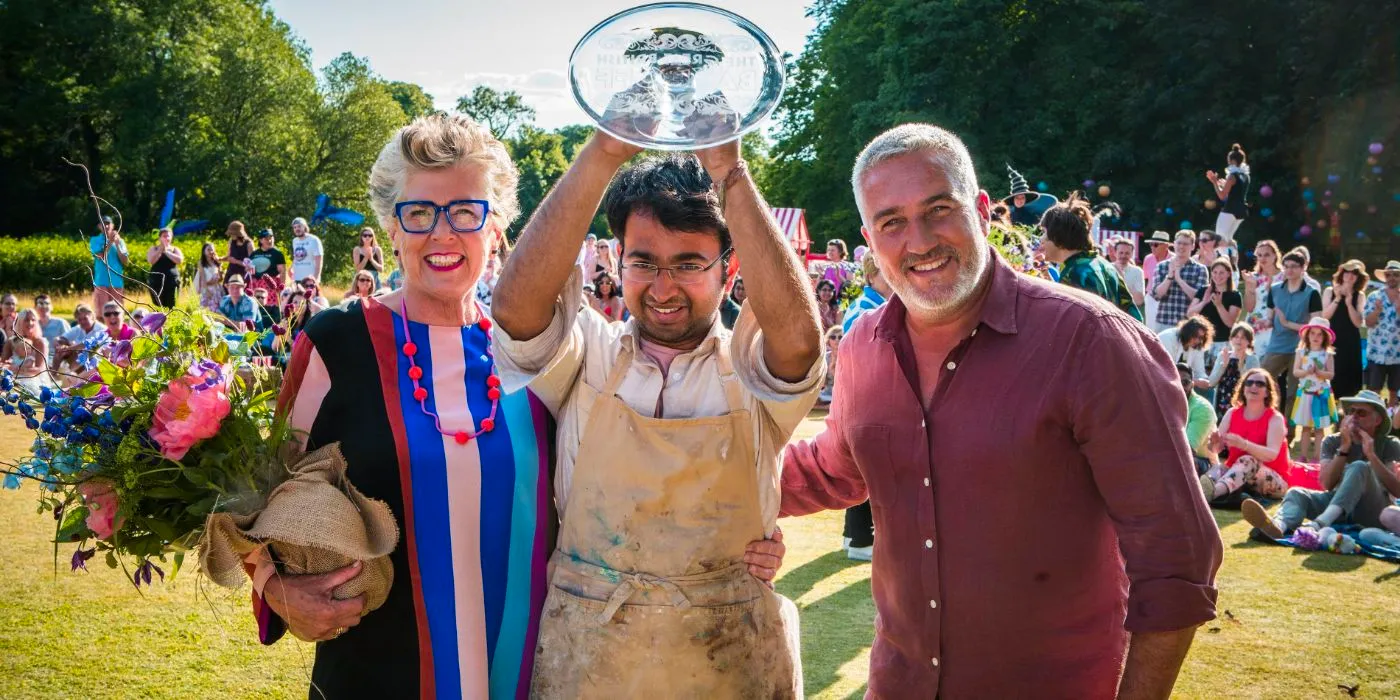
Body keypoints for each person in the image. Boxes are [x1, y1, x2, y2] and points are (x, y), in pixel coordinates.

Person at [779, 123, 1221, 698]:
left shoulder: (1090, 340)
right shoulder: (865, 345)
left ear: (983, 210)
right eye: (892, 222)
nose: (919, 241)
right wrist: (696, 479)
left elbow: (1176, 555)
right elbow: (834, 467)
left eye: (939, 208)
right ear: (869, 237)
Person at [491, 125, 820, 697]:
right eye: (644, 262)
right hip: (590, 663)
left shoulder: (751, 369)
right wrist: (604, 152)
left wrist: (732, 176)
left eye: (689, 263)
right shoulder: (587, 354)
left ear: (729, 269)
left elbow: (798, 344)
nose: (664, 288)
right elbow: (517, 310)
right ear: (619, 260)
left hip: (730, 662)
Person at [242, 114, 557, 698]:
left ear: (497, 229)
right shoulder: (334, 343)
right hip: (375, 672)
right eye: (419, 213)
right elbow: (255, 491)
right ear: (391, 228)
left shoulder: (537, 355)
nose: (443, 234)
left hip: (523, 674)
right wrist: (275, 587)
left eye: (465, 212)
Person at [1242, 390, 1400, 541]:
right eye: (1351, 411)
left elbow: (1396, 490)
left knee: (1360, 466)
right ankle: (1278, 526)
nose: (1354, 417)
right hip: (1338, 505)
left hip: (1373, 510)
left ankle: (1320, 523)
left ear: (1377, 420)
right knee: (1297, 493)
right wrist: (1344, 449)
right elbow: (1326, 483)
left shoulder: (1389, 444)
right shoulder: (1333, 441)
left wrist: (1372, 456)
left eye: (1361, 413)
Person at [1038, 192, 1143, 321]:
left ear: (1059, 235)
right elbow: (1135, 317)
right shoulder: (1103, 265)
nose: (1041, 239)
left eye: (1044, 232)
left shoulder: (1076, 273)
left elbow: (1072, 327)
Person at [1200, 367, 1291, 502]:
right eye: (1249, 383)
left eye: (1259, 384)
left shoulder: (1275, 418)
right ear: (1243, 388)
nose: (1253, 386)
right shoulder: (1232, 413)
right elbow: (1215, 450)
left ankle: (1212, 494)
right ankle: (1200, 493)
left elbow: (1272, 454)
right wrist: (1213, 443)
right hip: (1238, 473)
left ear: (1267, 392)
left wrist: (1244, 444)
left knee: (1248, 460)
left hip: (1275, 481)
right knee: (1219, 468)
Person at [1262, 249, 1323, 428]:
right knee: (1263, 380)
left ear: (1303, 268)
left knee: (1294, 392)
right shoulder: (1275, 289)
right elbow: (1269, 316)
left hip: (1300, 348)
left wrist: (1288, 324)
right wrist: (1266, 321)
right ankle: (1267, 422)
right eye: (1286, 266)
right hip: (1277, 345)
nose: (1289, 270)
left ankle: (1288, 430)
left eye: (1294, 267)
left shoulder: (1312, 293)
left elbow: (1316, 327)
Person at [1291, 317, 1338, 462]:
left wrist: (1320, 372)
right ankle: (1303, 455)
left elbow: (1331, 374)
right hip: (1306, 394)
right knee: (1305, 427)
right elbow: (1296, 371)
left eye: (1319, 334)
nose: (1316, 337)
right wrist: (1306, 372)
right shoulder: (1301, 352)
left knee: (1319, 428)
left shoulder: (1327, 354)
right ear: (1307, 335)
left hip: (1320, 395)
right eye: (1313, 333)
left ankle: (1318, 456)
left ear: (1325, 337)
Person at [1322, 259, 1366, 401]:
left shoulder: (1359, 296)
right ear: (1341, 274)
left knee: (1350, 375)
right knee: (1332, 372)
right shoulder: (1330, 291)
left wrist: (1349, 303)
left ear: (1359, 277)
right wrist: (1338, 298)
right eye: (1347, 272)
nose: (1350, 276)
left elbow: (1358, 323)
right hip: (1331, 338)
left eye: (1354, 273)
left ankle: (1348, 409)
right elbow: (1325, 316)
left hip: (1351, 341)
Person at [1150, 230, 1208, 330]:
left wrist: (1179, 280)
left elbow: (1199, 298)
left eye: (1185, 244)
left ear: (1193, 246)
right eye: (1179, 243)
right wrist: (1169, 276)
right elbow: (1157, 295)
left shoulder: (1200, 269)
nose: (1181, 246)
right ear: (1174, 244)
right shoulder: (1161, 266)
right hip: (1164, 322)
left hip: (1189, 324)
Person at [1364, 261, 1400, 412]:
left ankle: (1392, 425)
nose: (1392, 277)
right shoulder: (1374, 296)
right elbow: (1368, 322)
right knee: (1373, 392)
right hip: (1377, 353)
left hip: (1397, 354)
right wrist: (1377, 311)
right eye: (1388, 275)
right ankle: (1372, 422)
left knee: (1395, 393)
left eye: (1396, 275)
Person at [1187, 258, 1242, 356]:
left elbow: (1230, 323)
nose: (1217, 276)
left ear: (1229, 274)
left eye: (1221, 273)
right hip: (1200, 341)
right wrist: (1204, 302)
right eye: (1215, 272)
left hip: (1222, 343)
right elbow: (1189, 314)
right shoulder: (1203, 290)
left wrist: (1219, 305)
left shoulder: (1235, 295)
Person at [1207, 324, 1261, 417]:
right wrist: (1223, 365)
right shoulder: (1223, 355)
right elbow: (1211, 382)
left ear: (1249, 341)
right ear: (1231, 339)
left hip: (1242, 403)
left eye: (1243, 338)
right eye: (1236, 337)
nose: (1239, 340)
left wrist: (1241, 365)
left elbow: (1254, 385)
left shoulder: (1252, 359)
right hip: (1221, 402)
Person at [1242, 238, 1283, 358]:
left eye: (1267, 255)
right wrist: (1250, 288)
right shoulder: (1253, 277)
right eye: (1259, 255)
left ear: (1275, 255)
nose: (1262, 258)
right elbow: (1249, 308)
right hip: (1255, 323)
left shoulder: (1284, 276)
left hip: (1276, 322)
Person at [1205, 144, 1251, 246]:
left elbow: (1222, 196)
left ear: (1233, 161)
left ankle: (1223, 260)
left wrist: (1214, 182)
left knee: (1220, 239)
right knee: (1229, 239)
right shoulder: (1246, 176)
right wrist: (1221, 184)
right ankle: (1233, 259)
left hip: (1230, 209)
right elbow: (1234, 192)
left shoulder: (1232, 176)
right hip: (1241, 210)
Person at [1179, 362, 1219, 474]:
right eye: (1175, 381)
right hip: (1170, 455)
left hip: (1204, 464)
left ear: (1192, 385)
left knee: (1185, 462)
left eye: (1185, 382)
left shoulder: (1202, 409)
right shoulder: (1163, 403)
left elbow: (1187, 451)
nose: (1180, 386)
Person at [2, 309, 54, 394]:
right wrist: (8, 366)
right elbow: (3, 363)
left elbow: (40, 369)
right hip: (14, 376)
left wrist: (18, 369)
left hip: (36, 378)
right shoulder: (11, 342)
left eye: (33, 320)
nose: (30, 323)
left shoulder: (40, 342)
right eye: (26, 320)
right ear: (20, 322)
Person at [1158, 315, 1214, 389]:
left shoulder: (1198, 345)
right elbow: (1167, 372)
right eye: (1195, 336)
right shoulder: (1167, 338)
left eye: (1201, 337)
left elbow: (1199, 372)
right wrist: (1195, 382)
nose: (1197, 340)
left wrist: (1205, 381)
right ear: (1187, 332)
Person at [843, 252, 892, 334]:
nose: (893, 279)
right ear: (870, 277)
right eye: (887, 273)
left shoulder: (893, 305)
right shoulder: (862, 310)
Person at [90, 215, 130, 312]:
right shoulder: (94, 240)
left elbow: (125, 262)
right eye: (103, 224)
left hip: (116, 281)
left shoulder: (120, 241)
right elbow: (101, 257)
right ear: (99, 226)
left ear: (112, 225)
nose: (106, 226)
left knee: (117, 312)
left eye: (108, 223)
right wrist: (110, 242)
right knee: (101, 313)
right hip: (101, 281)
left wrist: (117, 243)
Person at [51, 304, 106, 373]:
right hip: (79, 359)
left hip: (96, 359)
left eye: (85, 318)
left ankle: (70, 375)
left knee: (84, 352)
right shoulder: (78, 328)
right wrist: (58, 343)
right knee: (60, 351)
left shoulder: (101, 329)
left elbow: (87, 344)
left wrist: (68, 348)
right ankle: (53, 374)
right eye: (80, 320)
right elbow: (62, 338)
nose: (82, 322)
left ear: (91, 316)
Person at [142, 227, 184, 307]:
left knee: (172, 304)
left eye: (168, 236)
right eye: (164, 236)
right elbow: (151, 261)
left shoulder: (175, 249)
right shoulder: (154, 248)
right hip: (156, 281)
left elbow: (180, 260)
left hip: (172, 281)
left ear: (171, 237)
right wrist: (160, 251)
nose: (166, 238)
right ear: (160, 238)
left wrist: (167, 252)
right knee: (158, 305)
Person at [1141, 230, 1172, 331]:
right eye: (1151, 244)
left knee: (1166, 330)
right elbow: (1146, 279)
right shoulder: (1148, 259)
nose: (1152, 247)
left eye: (1155, 244)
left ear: (1166, 245)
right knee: (1149, 329)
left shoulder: (1174, 259)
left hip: (1168, 299)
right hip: (1150, 298)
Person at [1109, 236, 1146, 315]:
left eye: (1127, 253)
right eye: (1121, 252)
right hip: (1109, 312)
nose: (1123, 256)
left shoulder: (1137, 272)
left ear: (1132, 254)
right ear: (1115, 253)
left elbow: (1139, 300)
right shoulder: (1107, 268)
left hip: (1129, 314)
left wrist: (1122, 281)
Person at [247, 229, 288, 298]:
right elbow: (249, 270)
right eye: (266, 238)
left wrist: (281, 289)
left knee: (270, 307)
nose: (269, 240)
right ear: (260, 240)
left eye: (271, 238)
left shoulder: (278, 254)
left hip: (271, 285)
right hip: (256, 285)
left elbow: (282, 272)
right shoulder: (254, 254)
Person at [32, 295, 69, 361]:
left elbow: (70, 342)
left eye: (47, 303)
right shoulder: (32, 324)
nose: (44, 306)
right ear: (35, 307)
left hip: (56, 358)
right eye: (40, 304)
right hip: (36, 358)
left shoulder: (60, 323)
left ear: (51, 307)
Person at [289, 216, 324, 283]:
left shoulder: (314, 240)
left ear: (305, 227)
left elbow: (319, 260)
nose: (297, 229)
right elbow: (296, 257)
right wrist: (291, 267)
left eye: (299, 226)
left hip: (310, 280)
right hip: (297, 278)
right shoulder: (295, 241)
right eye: (295, 227)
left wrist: (315, 278)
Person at [193, 242, 225, 312]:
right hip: (206, 288)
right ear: (204, 251)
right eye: (208, 249)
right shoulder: (201, 263)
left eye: (212, 249)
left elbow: (221, 278)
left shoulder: (216, 262)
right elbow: (203, 278)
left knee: (218, 309)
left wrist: (220, 266)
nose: (211, 251)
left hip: (216, 289)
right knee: (206, 309)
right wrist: (207, 291)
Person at [222, 221, 254, 285]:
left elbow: (251, 263)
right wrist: (218, 259)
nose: (231, 235)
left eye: (232, 234)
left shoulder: (248, 244)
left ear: (239, 234)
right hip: (231, 272)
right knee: (226, 290)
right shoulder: (231, 241)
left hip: (243, 274)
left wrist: (236, 261)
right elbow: (228, 256)